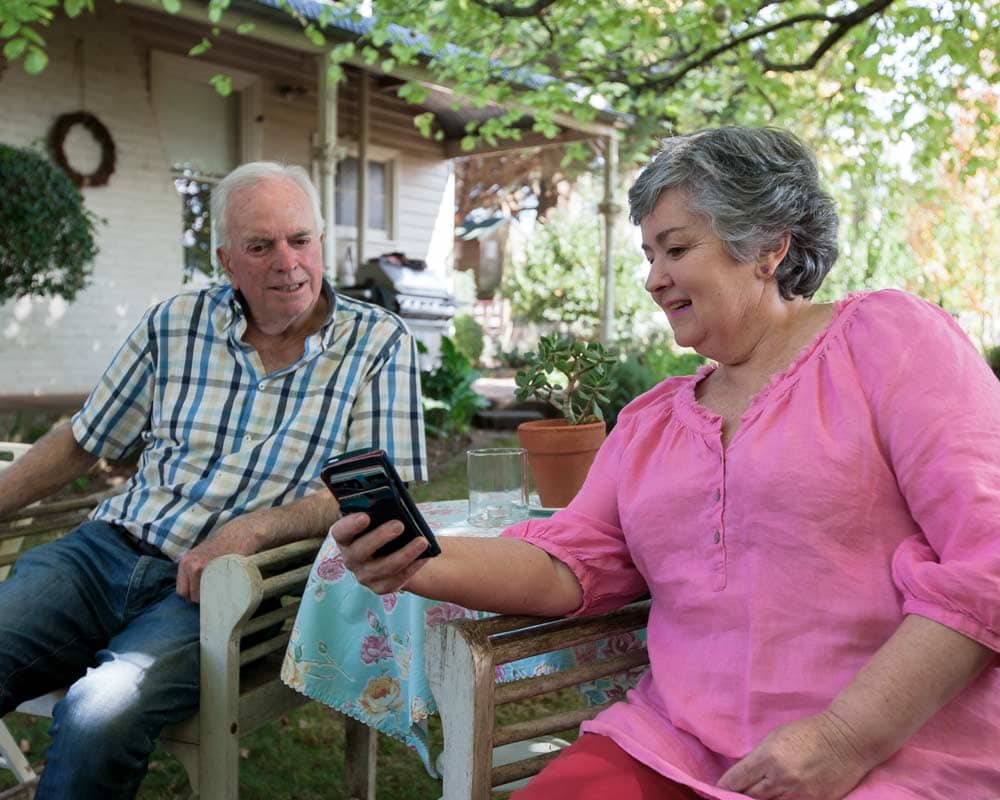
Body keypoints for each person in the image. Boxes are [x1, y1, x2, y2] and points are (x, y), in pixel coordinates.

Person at [334, 127, 1000, 799]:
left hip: (896, 755)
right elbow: (569, 562)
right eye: (649, 254)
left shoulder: (891, 341)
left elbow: (989, 556)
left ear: (770, 245)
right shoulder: (652, 421)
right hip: (674, 750)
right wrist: (423, 559)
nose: (654, 279)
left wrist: (844, 740)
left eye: (677, 248)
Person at [0, 161, 426, 799]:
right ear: (228, 261)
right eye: (261, 246)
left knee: (98, 718)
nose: (288, 261)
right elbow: (85, 440)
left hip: (230, 585)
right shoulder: (175, 323)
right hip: (107, 551)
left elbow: (369, 489)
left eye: (300, 239)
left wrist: (249, 532)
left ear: (320, 242)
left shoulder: (377, 342)